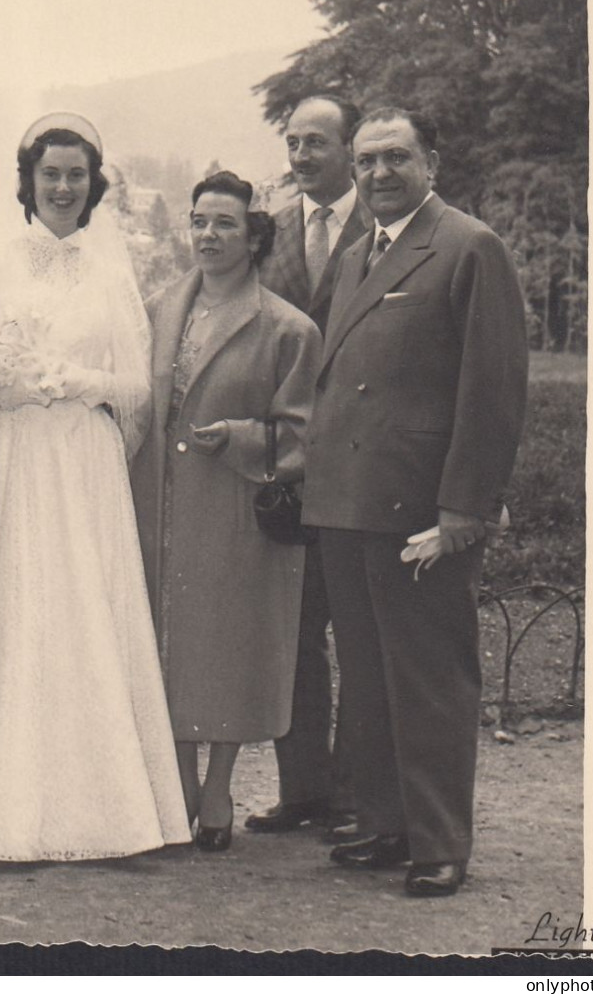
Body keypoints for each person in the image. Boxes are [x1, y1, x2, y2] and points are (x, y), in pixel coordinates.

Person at [0, 113, 188, 861]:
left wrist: (72, 380)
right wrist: (4, 383)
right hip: (12, 459)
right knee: (11, 604)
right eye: (49, 174)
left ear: (93, 186)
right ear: (26, 182)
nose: (62, 188)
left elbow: (136, 385)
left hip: (81, 461)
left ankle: (103, 804)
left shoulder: (110, 271)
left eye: (76, 175)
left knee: (82, 606)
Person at [306, 107, 528, 897]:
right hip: (347, 501)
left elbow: (492, 389)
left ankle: (440, 841)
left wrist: (464, 508)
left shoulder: (468, 246)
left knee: (428, 679)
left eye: (395, 158)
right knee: (365, 680)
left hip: (418, 510)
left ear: (431, 160)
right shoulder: (359, 253)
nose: (377, 174)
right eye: (365, 161)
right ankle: (386, 823)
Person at [129, 171, 323, 852]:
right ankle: (178, 784)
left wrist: (238, 437)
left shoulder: (287, 328)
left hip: (235, 510)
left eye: (224, 224)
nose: (208, 235)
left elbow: (303, 434)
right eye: (199, 221)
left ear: (253, 237)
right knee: (166, 645)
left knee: (229, 650)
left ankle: (218, 787)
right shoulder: (155, 308)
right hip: (162, 508)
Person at [246, 95, 372, 838]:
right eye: (292, 141)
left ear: (348, 148)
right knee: (291, 631)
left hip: (362, 461)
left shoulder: (386, 223)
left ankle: (356, 790)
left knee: (356, 632)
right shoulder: (275, 227)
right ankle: (304, 790)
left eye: (315, 141)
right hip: (291, 464)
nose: (300, 155)